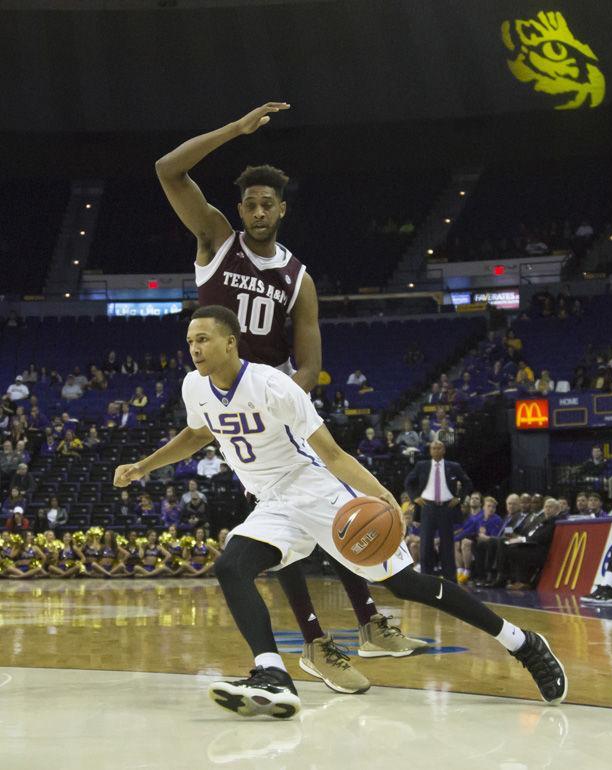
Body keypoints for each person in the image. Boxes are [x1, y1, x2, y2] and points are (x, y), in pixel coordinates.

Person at [114, 306, 566, 717]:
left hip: (316, 490)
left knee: (406, 585)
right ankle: (271, 672)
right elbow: (197, 435)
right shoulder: (195, 387)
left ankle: (522, 642)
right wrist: (144, 466)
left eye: (204, 339)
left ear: (231, 342)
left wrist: (382, 493)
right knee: (232, 565)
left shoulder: (274, 386)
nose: (195, 348)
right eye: (191, 341)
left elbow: (331, 454)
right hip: (273, 502)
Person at [155, 104, 423, 690]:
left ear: (281, 210)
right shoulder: (216, 239)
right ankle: (320, 641)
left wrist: (284, 401)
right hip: (232, 407)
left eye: (266, 203)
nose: (255, 211)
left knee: (335, 508)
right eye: (248, 202)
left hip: (278, 401)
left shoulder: (298, 276)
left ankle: (369, 623)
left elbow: (312, 360)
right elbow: (168, 171)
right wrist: (233, 130)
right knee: (283, 525)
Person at [404, 440, 472, 581]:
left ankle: (450, 580)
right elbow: (408, 481)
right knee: (426, 546)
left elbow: (467, 482)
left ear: (444, 450)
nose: (436, 450)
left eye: (439, 448)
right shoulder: (421, 466)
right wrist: (415, 497)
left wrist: (459, 498)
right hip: (427, 508)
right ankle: (426, 580)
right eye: (433, 448)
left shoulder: (453, 466)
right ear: (430, 451)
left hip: (447, 508)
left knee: (447, 546)